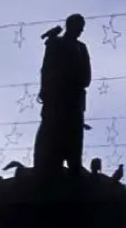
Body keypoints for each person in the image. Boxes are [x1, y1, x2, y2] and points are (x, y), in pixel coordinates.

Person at [33, 13, 92, 178]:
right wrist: (46, 89)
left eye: (82, 29)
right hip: (57, 99)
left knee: (74, 135)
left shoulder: (82, 48)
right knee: (52, 132)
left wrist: (76, 80)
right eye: (78, 27)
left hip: (75, 100)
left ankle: (74, 165)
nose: (80, 31)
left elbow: (87, 77)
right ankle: (48, 165)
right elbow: (47, 68)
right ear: (69, 25)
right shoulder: (55, 43)